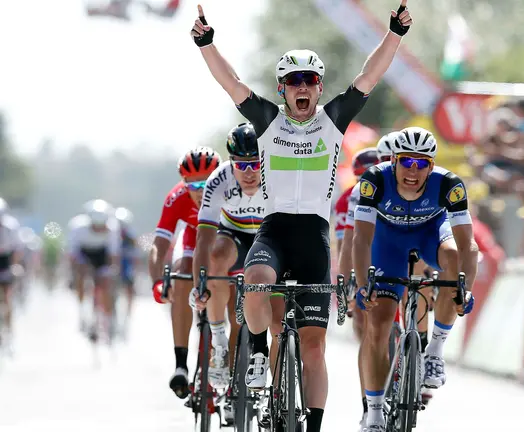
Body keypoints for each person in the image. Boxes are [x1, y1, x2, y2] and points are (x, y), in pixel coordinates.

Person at [190, 2, 412, 430]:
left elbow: (370, 75)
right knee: (254, 283)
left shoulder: (333, 121)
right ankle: (256, 353)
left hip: (314, 239)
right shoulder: (268, 122)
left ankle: (312, 425)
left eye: (310, 79)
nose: (302, 86)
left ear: (320, 86)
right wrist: (207, 45)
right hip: (273, 232)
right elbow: (231, 82)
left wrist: (395, 34)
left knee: (313, 349)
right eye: (294, 81)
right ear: (282, 89)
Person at [352, 127, 478, 431]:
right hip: (387, 241)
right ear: (394, 160)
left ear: (431, 166)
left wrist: (467, 290)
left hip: (429, 233)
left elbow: (468, 247)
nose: (412, 170)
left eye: (421, 164)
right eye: (406, 161)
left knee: (452, 260)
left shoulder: (449, 185)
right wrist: (361, 284)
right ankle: (374, 413)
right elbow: (361, 240)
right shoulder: (375, 180)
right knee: (379, 324)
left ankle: (434, 351)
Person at [188, 123, 271, 424]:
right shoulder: (218, 179)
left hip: (268, 234)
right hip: (233, 233)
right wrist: (201, 282)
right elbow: (204, 237)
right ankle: (219, 342)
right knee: (216, 257)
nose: (249, 172)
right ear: (231, 162)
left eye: (255, 164)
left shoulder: (279, 175)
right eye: (241, 164)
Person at [148, 147, 221, 398]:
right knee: (180, 277)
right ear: (183, 183)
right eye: (193, 184)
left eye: (206, 182)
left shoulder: (232, 189)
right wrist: (158, 281)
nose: (200, 191)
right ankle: (181, 363)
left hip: (225, 240)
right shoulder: (177, 197)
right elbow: (159, 245)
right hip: (193, 238)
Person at [336, 137, 395, 430]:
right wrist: (347, 282)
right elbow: (345, 243)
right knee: (369, 328)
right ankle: (368, 402)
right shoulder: (352, 197)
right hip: (366, 256)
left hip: (395, 254)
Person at [67, 199, 122, 341]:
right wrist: (74, 274)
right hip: (84, 253)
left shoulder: (113, 228)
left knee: (105, 283)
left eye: (101, 226)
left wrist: (112, 271)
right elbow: (73, 255)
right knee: (80, 274)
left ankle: (108, 320)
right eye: (95, 226)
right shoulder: (77, 227)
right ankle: (82, 312)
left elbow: (113, 254)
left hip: (101, 254)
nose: (99, 229)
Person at [0, 198, 23, 345]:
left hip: (5, 260)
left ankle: (9, 328)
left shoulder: (11, 227)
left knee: (7, 297)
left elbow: (16, 250)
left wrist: (14, 266)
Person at [115, 207, 138, 334]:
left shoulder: (131, 236)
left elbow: (135, 255)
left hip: (126, 266)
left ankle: (128, 315)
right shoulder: (111, 233)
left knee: (129, 289)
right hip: (115, 266)